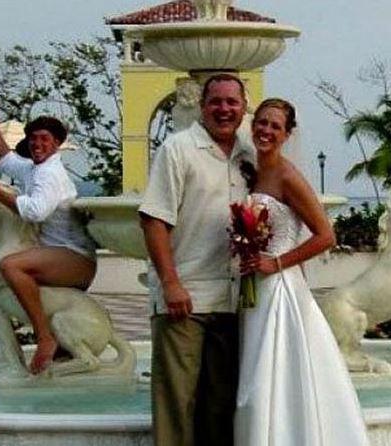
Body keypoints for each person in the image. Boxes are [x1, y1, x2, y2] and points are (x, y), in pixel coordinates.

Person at [236, 98, 370, 445]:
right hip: (253, 285)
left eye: (275, 126)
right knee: (251, 373)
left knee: (269, 377)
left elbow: (326, 236)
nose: (266, 130)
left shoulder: (287, 175)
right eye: (262, 123)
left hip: (279, 287)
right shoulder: (250, 171)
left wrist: (275, 263)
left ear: (287, 134)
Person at [139, 73, 253, 446]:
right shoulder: (178, 148)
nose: (224, 109)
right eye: (215, 101)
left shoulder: (249, 155)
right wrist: (170, 283)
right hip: (184, 301)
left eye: (232, 102)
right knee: (177, 406)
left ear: (243, 107)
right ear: (202, 107)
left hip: (233, 302)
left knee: (221, 408)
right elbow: (154, 218)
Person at [0, 100, 97, 375]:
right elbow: (5, 159)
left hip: (75, 258)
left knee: (10, 265)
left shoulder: (50, 174)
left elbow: (35, 212)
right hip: (57, 253)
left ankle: (44, 336)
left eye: (44, 139)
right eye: (32, 139)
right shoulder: (34, 169)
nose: (36, 143)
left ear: (57, 144)